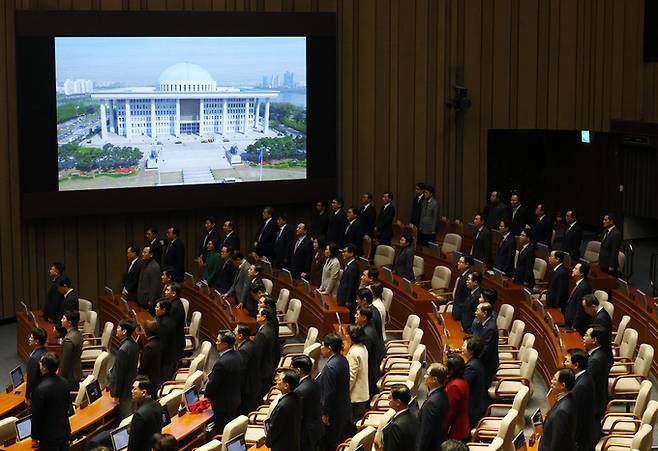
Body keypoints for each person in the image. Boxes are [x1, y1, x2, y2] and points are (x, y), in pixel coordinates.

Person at [205, 330, 244, 433]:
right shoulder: (238, 355)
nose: (216, 343)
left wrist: (206, 394)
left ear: (225, 344)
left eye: (218, 341)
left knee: (222, 431)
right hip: (234, 399)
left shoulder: (221, 363)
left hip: (222, 405)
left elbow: (213, 385)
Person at [31, 352, 71, 450]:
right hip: (64, 430)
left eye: (41, 362)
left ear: (45, 367)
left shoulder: (40, 389)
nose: (39, 364)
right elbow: (67, 406)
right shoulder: (65, 382)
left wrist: (34, 437)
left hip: (49, 437)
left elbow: (37, 415)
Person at [318, 333, 351, 451]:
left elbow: (328, 394)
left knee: (330, 443)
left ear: (329, 348)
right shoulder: (343, 359)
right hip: (343, 408)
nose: (321, 348)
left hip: (333, 413)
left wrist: (325, 414)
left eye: (323, 345)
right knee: (338, 439)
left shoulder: (330, 367)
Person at [564, 348, 598, 451]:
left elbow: (579, 415)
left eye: (567, 361)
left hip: (582, 436)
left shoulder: (581, 386)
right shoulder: (584, 376)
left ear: (576, 365)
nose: (564, 364)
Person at [538, 369, 578, 451]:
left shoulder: (562, 411)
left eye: (554, 379)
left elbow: (558, 442)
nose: (551, 381)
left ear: (563, 385)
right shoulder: (568, 398)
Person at [264, 369, 302, 451]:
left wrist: (267, 442)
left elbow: (275, 429)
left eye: (280, 379)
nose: (277, 381)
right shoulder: (297, 397)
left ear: (286, 386)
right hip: (293, 442)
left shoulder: (282, 406)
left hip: (282, 446)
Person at [291, 355, 323, 451]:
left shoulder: (299, 391)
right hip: (316, 427)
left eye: (291, 368)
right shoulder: (315, 382)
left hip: (306, 433)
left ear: (298, 370)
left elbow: (297, 415)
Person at [110, 319, 139, 419]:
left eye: (118, 327)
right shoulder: (134, 344)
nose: (116, 329)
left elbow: (120, 374)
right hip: (130, 384)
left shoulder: (123, 349)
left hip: (124, 391)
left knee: (125, 418)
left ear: (124, 331)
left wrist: (116, 394)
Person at [416, 363, 449, 451]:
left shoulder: (432, 403)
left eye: (427, 374)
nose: (424, 376)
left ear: (434, 379)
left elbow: (425, 432)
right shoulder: (443, 394)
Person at [583, 325, 610, 424]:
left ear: (594, 340)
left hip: (594, 406)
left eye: (586, 335)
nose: (583, 337)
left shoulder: (595, 360)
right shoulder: (597, 354)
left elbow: (588, 386)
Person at [356, 304, 384, 399]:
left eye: (357, 314)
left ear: (364, 318)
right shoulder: (369, 325)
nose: (355, 316)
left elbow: (365, 358)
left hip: (369, 372)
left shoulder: (367, 335)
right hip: (373, 367)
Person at [127, 376, 163, 451]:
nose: (132, 391)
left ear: (143, 392)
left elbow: (133, 444)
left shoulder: (139, 415)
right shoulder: (157, 405)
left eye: (134, 389)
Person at [383, 384, 420, 451]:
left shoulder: (395, 427)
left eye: (390, 397)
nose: (388, 398)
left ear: (398, 402)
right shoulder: (413, 416)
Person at [346, 325, 370, 424]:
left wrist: (345, 392)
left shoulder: (353, 353)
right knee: (358, 420)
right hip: (363, 393)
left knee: (353, 423)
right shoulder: (363, 347)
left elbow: (351, 376)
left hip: (355, 396)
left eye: (348, 334)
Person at [462, 336, 487, 427]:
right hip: (478, 403)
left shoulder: (472, 367)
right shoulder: (476, 362)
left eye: (464, 346)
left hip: (473, 409)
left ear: (471, 351)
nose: (462, 347)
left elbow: (462, 386)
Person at [445, 355, 470, 441]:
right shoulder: (463, 381)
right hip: (463, 424)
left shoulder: (454, 386)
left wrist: (443, 429)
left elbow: (450, 411)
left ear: (451, 370)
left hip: (456, 428)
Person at [235, 323, 259, 414]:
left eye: (235, 332)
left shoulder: (243, 350)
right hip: (254, 380)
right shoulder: (251, 343)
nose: (233, 334)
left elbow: (242, 371)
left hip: (248, 385)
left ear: (240, 336)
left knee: (245, 410)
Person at [582, 295, 613, 364]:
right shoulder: (599, 315)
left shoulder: (601, 319)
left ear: (593, 306)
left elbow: (600, 341)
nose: (585, 311)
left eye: (586, 308)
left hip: (602, 359)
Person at [473, 302, 499, 383]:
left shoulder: (490, 328)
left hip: (487, 365)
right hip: (484, 361)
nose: (475, 312)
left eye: (477, 310)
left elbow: (486, 350)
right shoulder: (485, 324)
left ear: (484, 313)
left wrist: (473, 361)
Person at [255, 307, 277, 399]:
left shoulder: (262, 334)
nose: (256, 315)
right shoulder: (269, 327)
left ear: (264, 317)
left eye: (258, 314)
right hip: (268, 364)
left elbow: (258, 354)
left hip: (263, 370)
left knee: (259, 395)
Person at [58, 309, 83, 390]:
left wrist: (60, 379)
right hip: (77, 371)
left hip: (70, 376)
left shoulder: (68, 340)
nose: (61, 320)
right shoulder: (78, 333)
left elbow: (65, 362)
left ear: (69, 323)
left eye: (64, 318)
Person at [138, 319, 162, 398]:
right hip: (157, 377)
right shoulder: (159, 342)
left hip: (149, 380)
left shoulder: (149, 347)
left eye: (144, 330)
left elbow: (143, 368)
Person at [565, 261, 592, 331]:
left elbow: (580, 309)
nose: (573, 270)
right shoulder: (579, 285)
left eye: (576, 269)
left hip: (576, 327)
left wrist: (574, 327)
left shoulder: (584, 288)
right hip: (569, 322)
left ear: (582, 273)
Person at [154, 299, 177, 381]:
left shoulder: (165, 324)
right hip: (167, 352)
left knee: (162, 378)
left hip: (167, 356)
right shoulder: (165, 318)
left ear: (163, 310)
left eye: (157, 307)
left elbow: (162, 344)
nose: (155, 308)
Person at [163, 282, 186, 364]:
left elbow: (170, 327)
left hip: (175, 343)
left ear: (173, 293)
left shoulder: (175, 307)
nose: (165, 292)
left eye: (167, 290)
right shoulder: (173, 303)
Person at [26, 327, 48, 403]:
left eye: (31, 337)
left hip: (37, 392)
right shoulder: (47, 352)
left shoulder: (34, 359)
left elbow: (31, 380)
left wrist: (27, 396)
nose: (29, 338)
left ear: (37, 341)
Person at [450, 255, 474, 323]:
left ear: (466, 264)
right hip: (456, 309)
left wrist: (458, 313)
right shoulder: (463, 276)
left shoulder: (468, 279)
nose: (458, 263)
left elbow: (467, 298)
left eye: (460, 262)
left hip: (460, 313)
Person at [137, 246, 161, 311]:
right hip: (141, 298)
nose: (142, 254)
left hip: (148, 300)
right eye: (142, 252)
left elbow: (155, 286)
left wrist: (151, 301)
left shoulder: (154, 267)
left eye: (145, 252)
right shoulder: (144, 263)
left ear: (151, 254)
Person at [336, 244, 360, 311]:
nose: (342, 253)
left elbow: (352, 285)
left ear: (351, 253)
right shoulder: (349, 265)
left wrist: (348, 300)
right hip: (342, 296)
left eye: (345, 252)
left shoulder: (353, 268)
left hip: (346, 300)